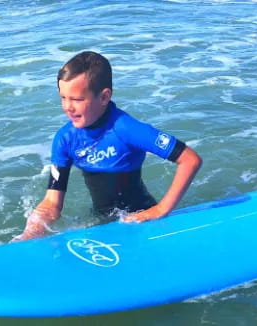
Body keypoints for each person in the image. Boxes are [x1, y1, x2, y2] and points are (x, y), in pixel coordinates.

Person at [12, 51, 202, 241]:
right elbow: (52, 203)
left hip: (143, 221)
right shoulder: (65, 139)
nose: (68, 107)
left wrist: (161, 209)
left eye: (77, 99)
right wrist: (30, 234)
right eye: (63, 97)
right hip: (103, 224)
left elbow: (190, 160)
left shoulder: (126, 129)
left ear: (104, 97)